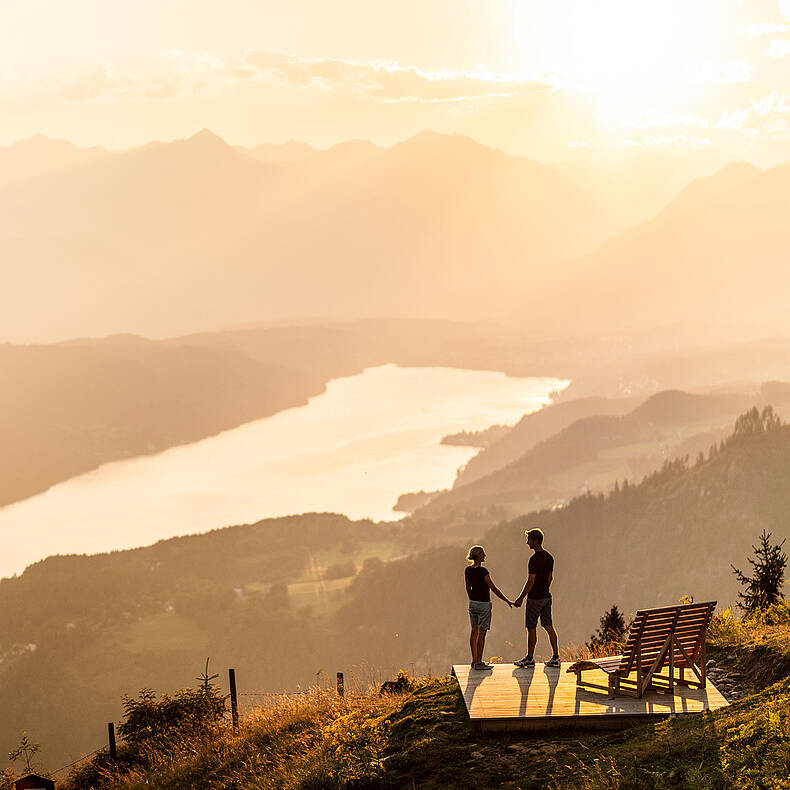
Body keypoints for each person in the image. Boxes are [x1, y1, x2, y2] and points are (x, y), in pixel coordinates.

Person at [513, 528, 560, 668]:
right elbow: (550, 578)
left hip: (534, 599)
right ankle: (556, 657)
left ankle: (529, 658)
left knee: (531, 627)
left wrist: (521, 598)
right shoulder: (549, 557)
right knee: (548, 626)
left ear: (535, 540)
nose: (527, 543)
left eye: (529, 540)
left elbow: (530, 581)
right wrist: (545, 589)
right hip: (546, 597)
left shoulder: (533, 560)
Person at [465, 545, 513, 670]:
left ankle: (474, 661)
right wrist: (507, 600)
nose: (485, 556)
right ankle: (479, 663)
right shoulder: (483, 572)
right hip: (484, 604)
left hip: (472, 604)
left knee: (473, 631)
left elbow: (468, 588)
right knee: (482, 633)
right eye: (483, 554)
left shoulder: (468, 570)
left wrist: (472, 599)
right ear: (478, 556)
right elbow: (493, 588)